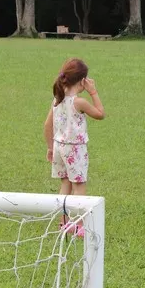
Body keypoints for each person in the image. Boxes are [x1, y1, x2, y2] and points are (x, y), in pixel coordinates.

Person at [44, 58, 106, 234]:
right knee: (79, 186)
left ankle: (64, 223)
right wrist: (93, 92)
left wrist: (50, 147)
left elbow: (47, 125)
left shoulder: (57, 98)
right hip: (75, 149)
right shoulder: (79, 102)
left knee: (65, 184)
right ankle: (78, 225)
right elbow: (101, 114)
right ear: (82, 81)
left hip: (59, 146)